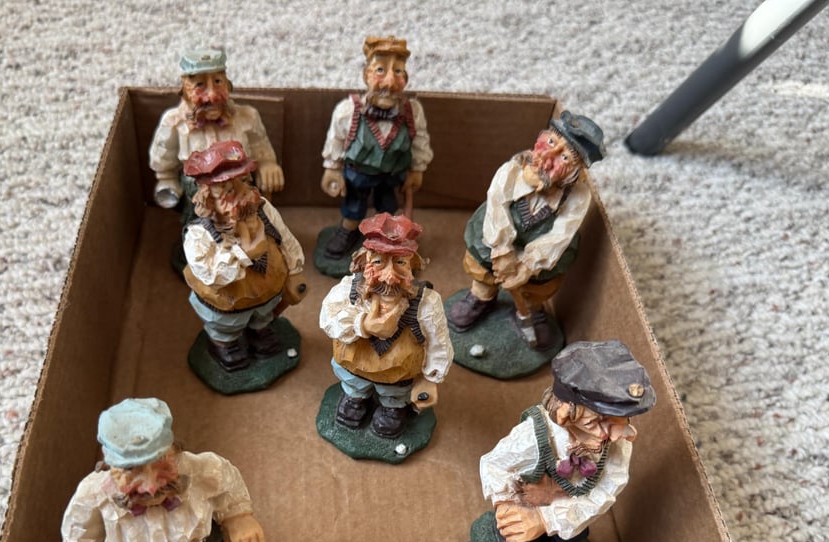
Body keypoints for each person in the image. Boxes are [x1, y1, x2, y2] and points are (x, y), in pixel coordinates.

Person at [61, 398, 265, 542]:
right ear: (110, 466)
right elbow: (81, 526)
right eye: (131, 470)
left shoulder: (201, 469)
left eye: (161, 464)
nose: (150, 487)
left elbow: (228, 485)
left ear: (174, 451)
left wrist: (238, 517)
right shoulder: (93, 493)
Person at [478, 341, 654, 542]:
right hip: (527, 499)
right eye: (596, 423)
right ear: (566, 414)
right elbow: (494, 464)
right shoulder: (534, 435)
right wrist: (506, 504)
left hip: (570, 508)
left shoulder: (615, 446)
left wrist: (546, 520)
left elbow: (604, 493)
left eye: (617, 423)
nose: (611, 435)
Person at [447, 111, 605, 348]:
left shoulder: (578, 196)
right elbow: (497, 204)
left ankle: (529, 310)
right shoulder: (512, 170)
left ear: (576, 171)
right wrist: (502, 250)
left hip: (540, 252)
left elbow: (561, 234)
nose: (548, 156)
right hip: (495, 240)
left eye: (564, 157)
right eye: (550, 142)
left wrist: (527, 265)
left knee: (540, 284)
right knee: (482, 268)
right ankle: (481, 296)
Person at [319, 213, 452, 438]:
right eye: (378, 262)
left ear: (413, 265)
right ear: (362, 263)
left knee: (394, 395)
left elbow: (438, 342)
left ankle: (392, 408)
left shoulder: (426, 303)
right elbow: (327, 319)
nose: (390, 277)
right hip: (354, 369)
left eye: (400, 263)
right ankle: (355, 398)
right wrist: (362, 324)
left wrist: (430, 378)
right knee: (354, 386)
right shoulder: (348, 291)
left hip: (399, 378)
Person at [182, 141, 306, 371]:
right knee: (226, 324)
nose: (240, 193)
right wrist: (244, 254)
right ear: (208, 198)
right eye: (227, 190)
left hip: (268, 284)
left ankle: (260, 331)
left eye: (242, 182)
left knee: (264, 314)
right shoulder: (199, 234)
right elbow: (208, 273)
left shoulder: (263, 209)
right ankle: (225, 344)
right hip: (227, 297)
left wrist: (295, 270)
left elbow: (285, 238)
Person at [319, 36, 433, 259]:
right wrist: (332, 168)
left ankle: (385, 235)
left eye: (398, 72)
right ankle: (349, 230)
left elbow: (420, 141)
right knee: (354, 205)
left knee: (387, 205)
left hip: (391, 175)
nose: (389, 82)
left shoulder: (412, 112)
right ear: (366, 75)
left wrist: (417, 169)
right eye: (380, 70)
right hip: (357, 174)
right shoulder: (348, 111)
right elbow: (336, 140)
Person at [149, 45, 284, 209]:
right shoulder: (173, 123)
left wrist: (267, 164)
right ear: (185, 90)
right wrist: (166, 181)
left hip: (240, 196)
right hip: (200, 201)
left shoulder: (248, 117)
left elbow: (260, 148)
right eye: (200, 85)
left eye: (218, 82)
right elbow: (164, 164)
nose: (212, 95)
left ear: (227, 84)